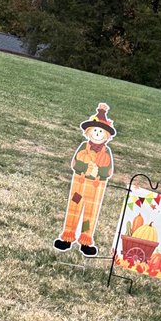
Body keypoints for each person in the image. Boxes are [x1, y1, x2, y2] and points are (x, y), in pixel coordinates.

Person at [54, 104, 116, 257]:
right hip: (79, 185)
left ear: (106, 135)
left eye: (100, 131)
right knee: (74, 208)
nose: (97, 133)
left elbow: (108, 171)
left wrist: (98, 172)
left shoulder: (106, 152)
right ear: (88, 132)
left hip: (95, 188)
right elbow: (75, 163)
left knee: (90, 212)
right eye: (95, 130)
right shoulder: (83, 146)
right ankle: (68, 236)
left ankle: (85, 239)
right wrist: (85, 168)